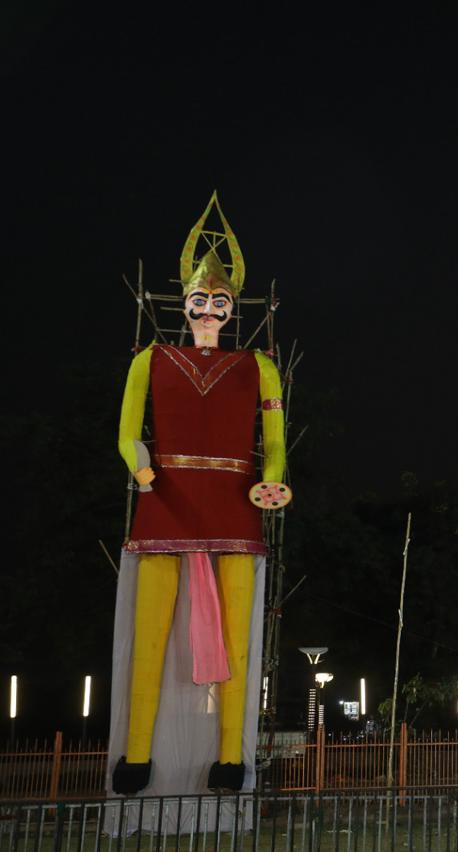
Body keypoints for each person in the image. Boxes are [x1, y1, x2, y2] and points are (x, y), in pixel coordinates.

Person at [109, 194, 288, 796]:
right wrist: (142, 472)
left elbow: (276, 441)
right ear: (183, 303)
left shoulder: (259, 365)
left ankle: (229, 760)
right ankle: (136, 756)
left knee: (238, 640)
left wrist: (274, 479)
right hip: (167, 497)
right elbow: (129, 433)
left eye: (219, 302)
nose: (208, 310)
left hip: (237, 499)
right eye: (199, 301)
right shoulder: (150, 359)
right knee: (151, 631)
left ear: (232, 307)